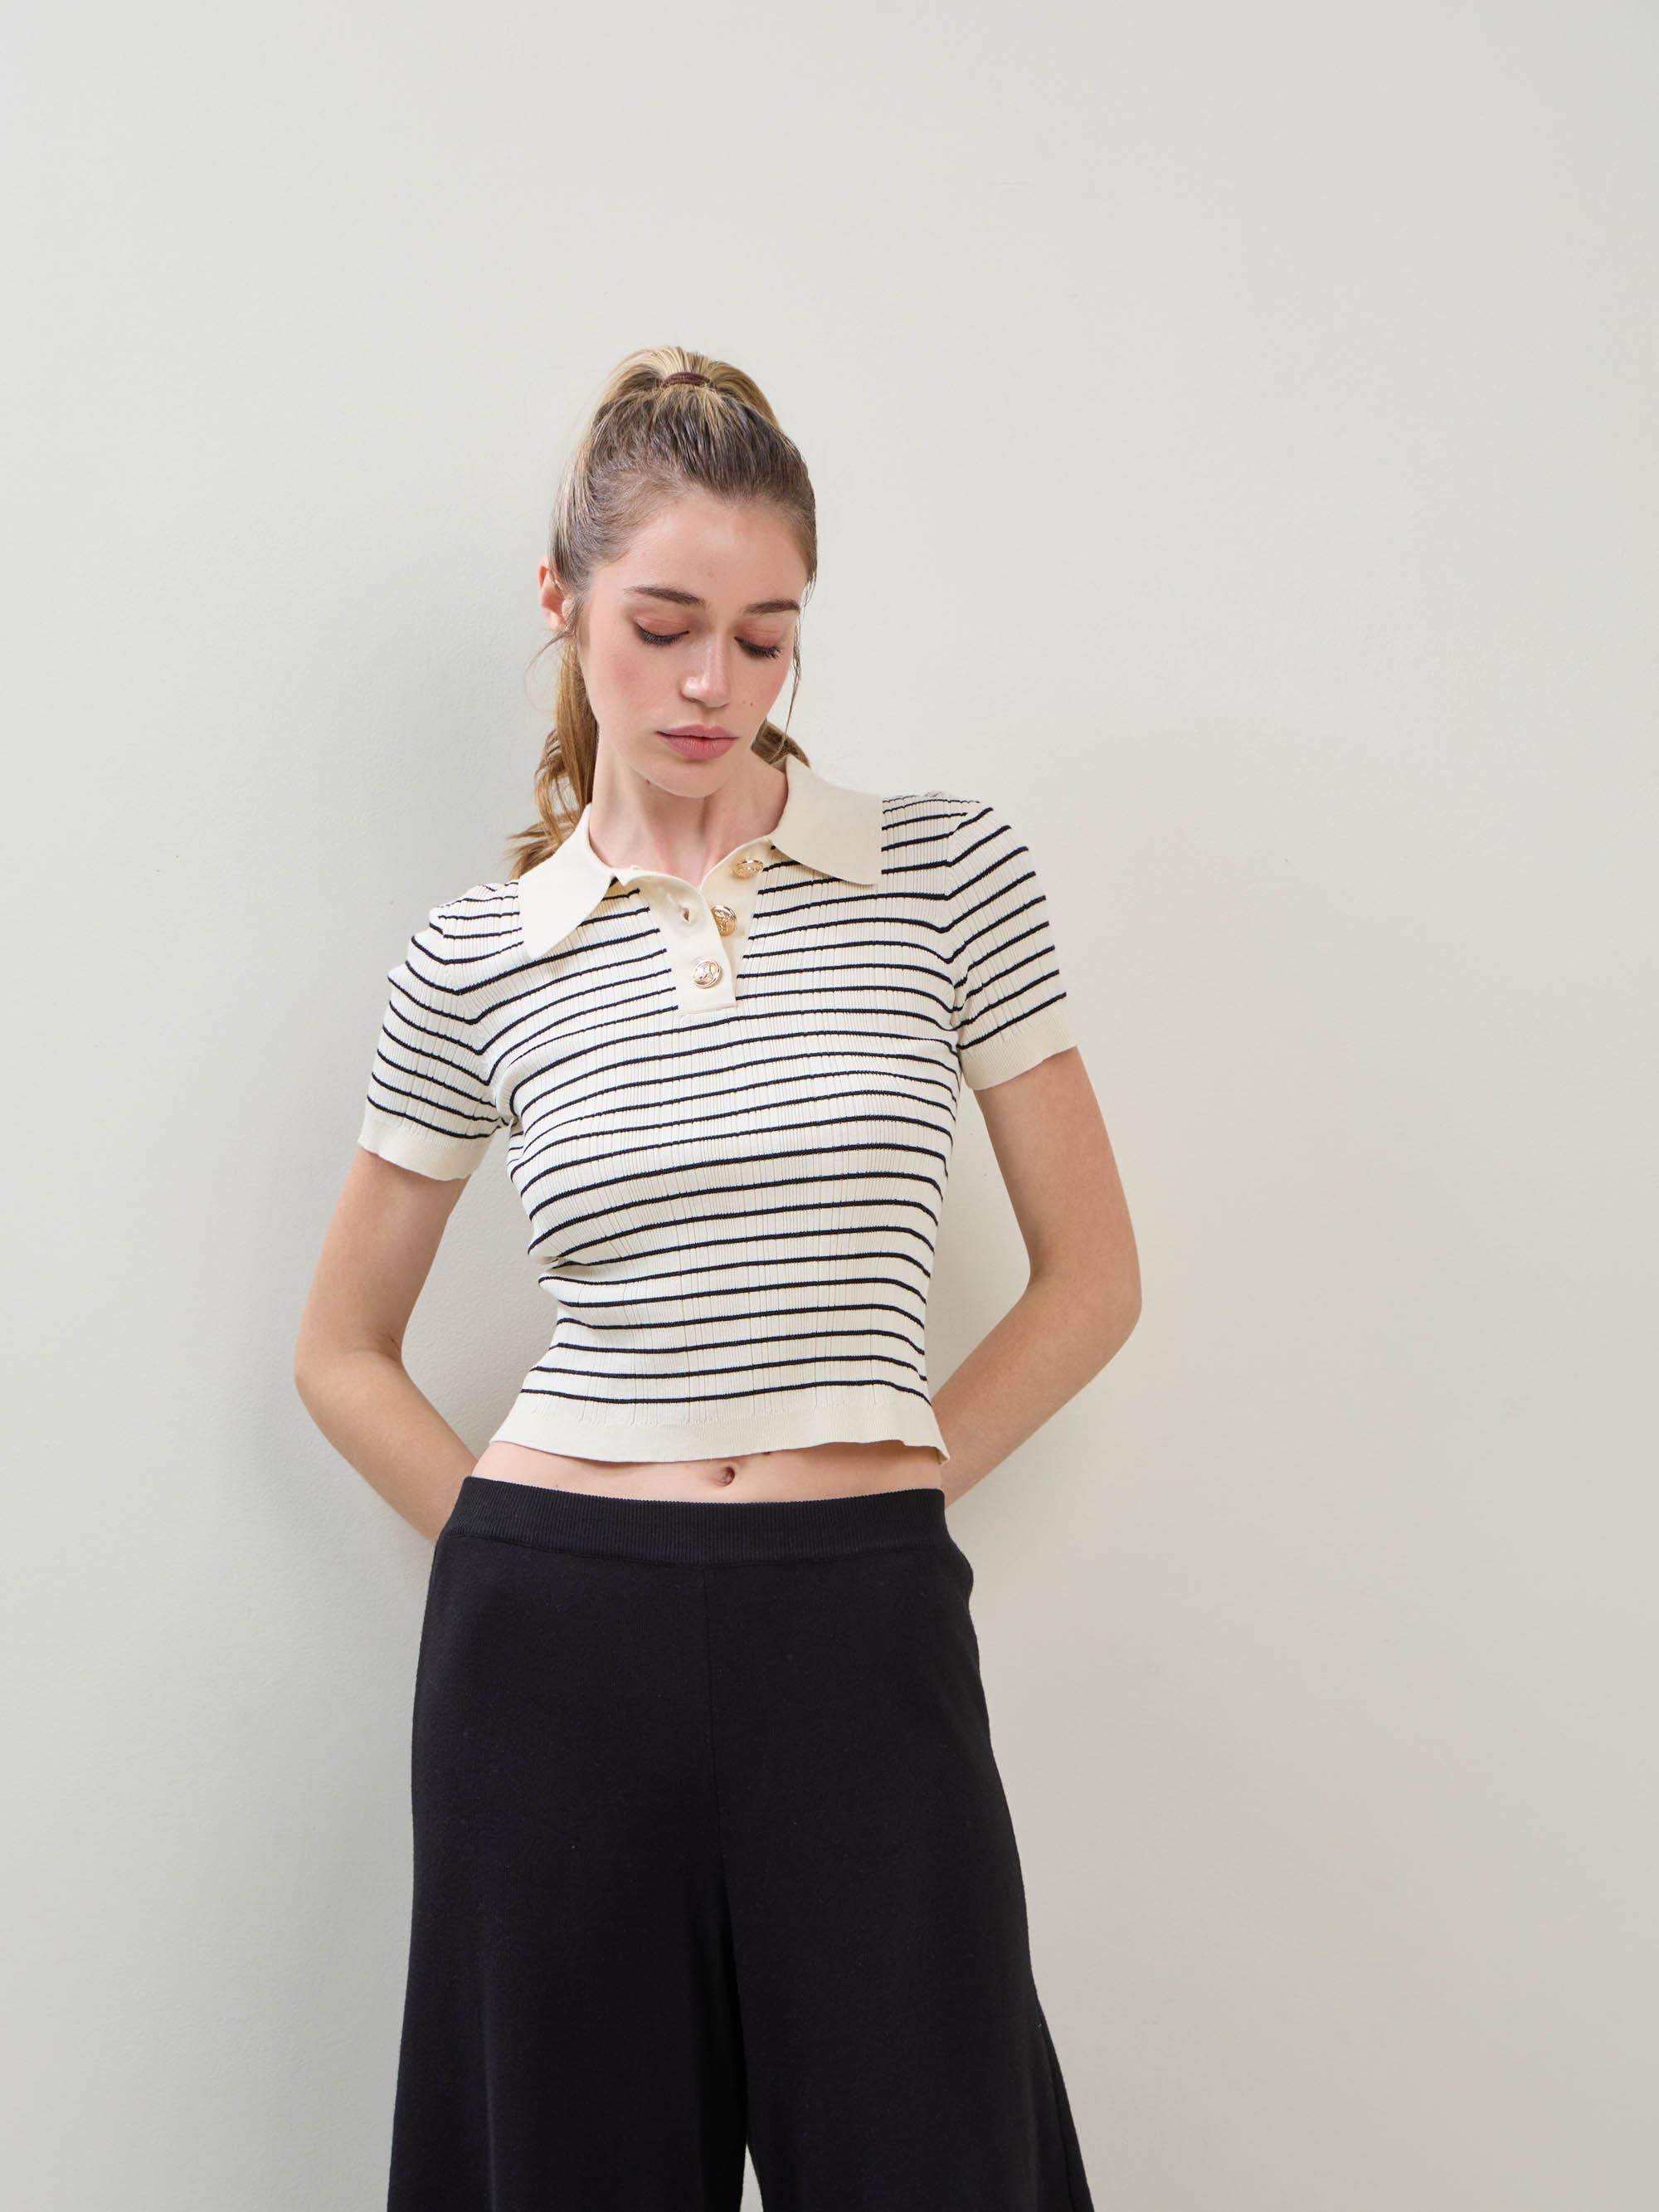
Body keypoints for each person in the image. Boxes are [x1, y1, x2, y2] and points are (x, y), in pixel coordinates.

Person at [294, 343, 1141, 2210]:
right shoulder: (478, 955)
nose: (711, 684)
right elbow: (341, 1349)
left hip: (860, 1631)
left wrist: (896, 1482)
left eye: (766, 638)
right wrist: (524, 1550)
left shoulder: (945, 877)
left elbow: (1092, 1276)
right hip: (550, 1663)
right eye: (664, 626)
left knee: (936, 2155)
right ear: (562, 600)